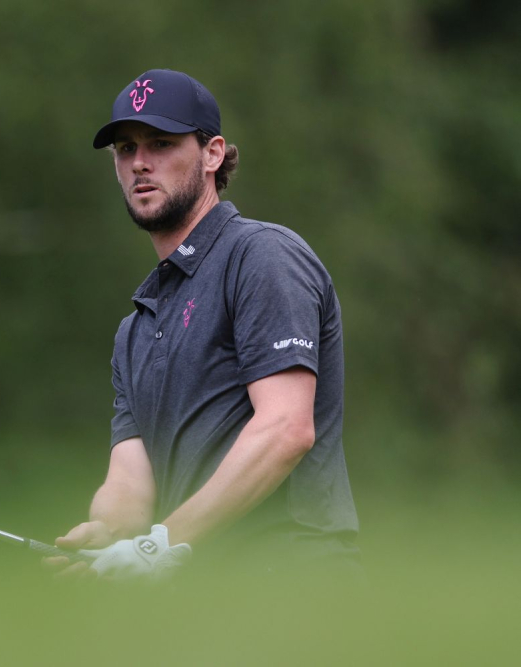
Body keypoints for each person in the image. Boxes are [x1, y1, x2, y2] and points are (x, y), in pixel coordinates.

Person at [44, 69, 360, 581]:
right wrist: (107, 533)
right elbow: (130, 484)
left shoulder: (261, 256)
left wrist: (159, 543)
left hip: (296, 582)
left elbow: (286, 428)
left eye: (161, 143)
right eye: (125, 149)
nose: (140, 162)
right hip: (204, 599)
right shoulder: (136, 326)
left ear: (213, 153)